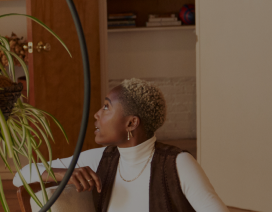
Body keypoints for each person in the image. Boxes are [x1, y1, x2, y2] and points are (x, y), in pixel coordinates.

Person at [13, 79, 227, 211]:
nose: (97, 114)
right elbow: (20, 176)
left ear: (131, 123)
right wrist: (64, 173)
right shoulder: (100, 158)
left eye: (106, 107)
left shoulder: (177, 164)